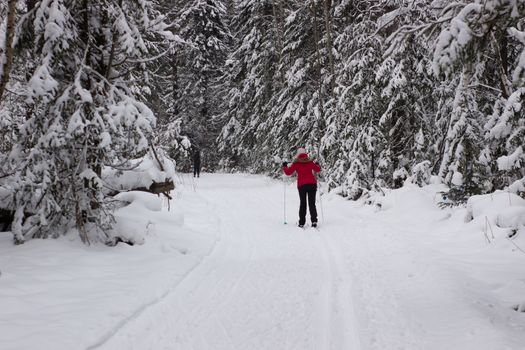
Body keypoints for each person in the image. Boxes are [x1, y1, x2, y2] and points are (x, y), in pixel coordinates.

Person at [282, 148, 321, 228]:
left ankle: (301, 222)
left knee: (303, 204)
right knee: (312, 203)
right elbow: (317, 169)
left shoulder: (296, 163)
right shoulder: (310, 162)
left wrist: (285, 166)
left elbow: (288, 172)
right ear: (305, 154)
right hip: (312, 184)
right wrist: (317, 164)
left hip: (302, 185)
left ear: (298, 154)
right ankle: (314, 221)